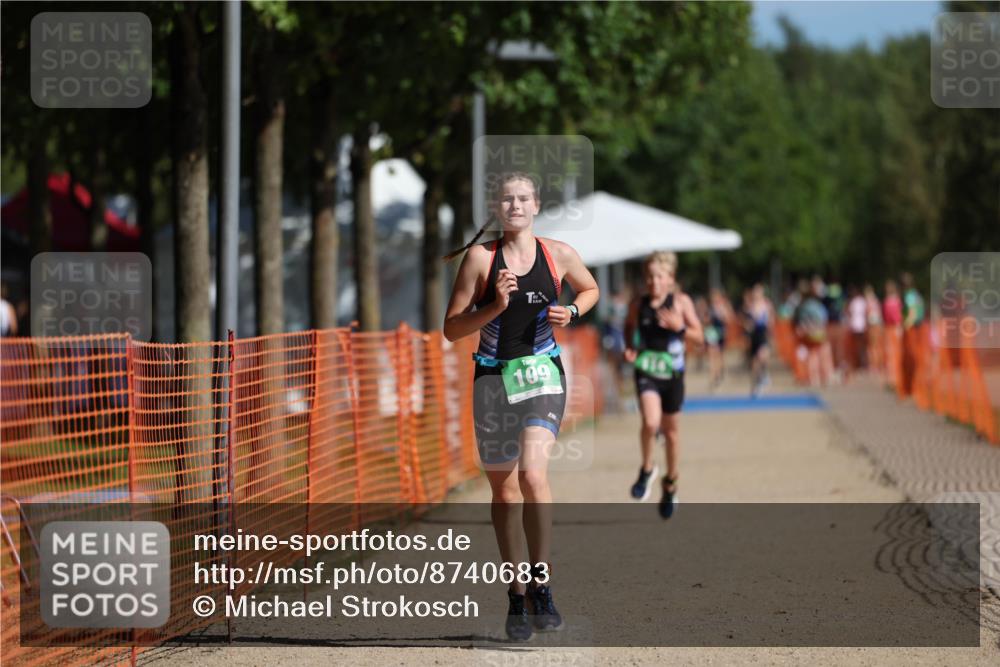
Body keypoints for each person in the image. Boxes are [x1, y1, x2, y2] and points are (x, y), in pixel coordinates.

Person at [442, 172, 599, 641]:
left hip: (541, 373)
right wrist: (495, 305)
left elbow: (589, 289)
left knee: (533, 475)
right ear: (497, 206)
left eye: (523, 198)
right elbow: (451, 328)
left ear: (536, 205)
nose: (515, 205)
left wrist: (571, 311)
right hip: (492, 378)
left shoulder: (558, 254)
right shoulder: (480, 259)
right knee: (506, 493)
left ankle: (542, 582)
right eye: (507, 199)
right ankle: (515, 593)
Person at [623, 252, 702, 518]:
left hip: (674, 376)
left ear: (670, 279)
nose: (653, 282)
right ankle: (647, 469)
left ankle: (670, 484)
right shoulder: (638, 303)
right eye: (649, 276)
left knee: (671, 434)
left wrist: (680, 327)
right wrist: (631, 347)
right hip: (647, 371)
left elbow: (700, 337)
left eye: (659, 276)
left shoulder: (681, 302)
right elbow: (629, 325)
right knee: (650, 422)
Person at [745, 283, 774, 397]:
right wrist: (748, 327)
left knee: (763, 356)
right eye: (755, 292)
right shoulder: (750, 306)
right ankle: (755, 386)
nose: (756, 294)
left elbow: (771, 319)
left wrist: (770, 329)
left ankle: (765, 374)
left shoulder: (767, 304)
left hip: (763, 334)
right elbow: (747, 322)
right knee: (754, 363)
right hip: (754, 335)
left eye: (758, 292)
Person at [846, 286, 868, 370]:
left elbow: (849, 312)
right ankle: (863, 363)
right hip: (862, 325)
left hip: (855, 325)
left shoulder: (853, 302)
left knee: (856, 346)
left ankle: (858, 363)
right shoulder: (862, 301)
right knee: (862, 346)